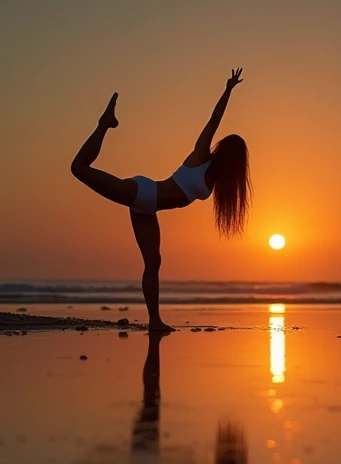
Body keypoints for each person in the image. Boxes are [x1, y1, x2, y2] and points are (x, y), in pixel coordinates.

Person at [71, 68, 251, 331]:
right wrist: (228, 90)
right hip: (142, 192)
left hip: (147, 208)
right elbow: (213, 120)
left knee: (153, 262)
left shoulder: (216, 180)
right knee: (79, 169)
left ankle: (154, 320)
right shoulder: (201, 157)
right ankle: (104, 123)